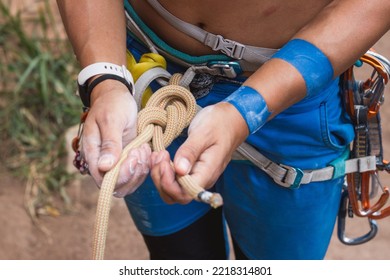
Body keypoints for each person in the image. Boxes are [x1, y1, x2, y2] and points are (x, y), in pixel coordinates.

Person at [57, 0, 390, 259]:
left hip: (295, 92)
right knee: (177, 258)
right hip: (146, 70)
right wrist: (105, 79)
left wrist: (246, 111)